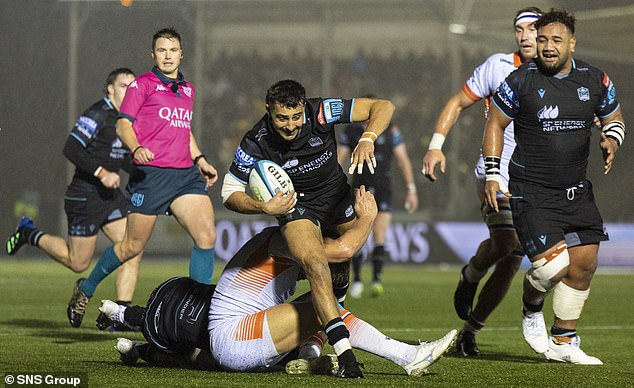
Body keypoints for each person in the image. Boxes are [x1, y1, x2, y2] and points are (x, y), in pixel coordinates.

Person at [101, 187, 457, 377]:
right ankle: (408, 356)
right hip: (234, 336)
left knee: (324, 300)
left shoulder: (284, 236)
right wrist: (367, 219)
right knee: (325, 308)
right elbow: (344, 250)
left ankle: (309, 355)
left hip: (230, 335)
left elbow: (334, 278)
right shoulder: (286, 240)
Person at [221, 79, 395, 376]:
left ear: (304, 108)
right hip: (298, 209)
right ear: (268, 111)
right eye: (281, 118)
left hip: (337, 199)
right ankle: (345, 354)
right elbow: (228, 191)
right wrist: (263, 207)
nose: (290, 126)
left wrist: (367, 137)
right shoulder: (256, 140)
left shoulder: (322, 111)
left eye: (296, 117)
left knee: (341, 266)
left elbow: (384, 106)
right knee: (316, 263)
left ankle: (312, 345)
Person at [483, 9, 624, 365]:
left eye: (556, 40)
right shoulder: (520, 80)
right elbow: (495, 125)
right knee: (551, 269)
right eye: (542, 39)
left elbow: (614, 116)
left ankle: (564, 341)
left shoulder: (595, 79)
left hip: (576, 191)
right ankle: (531, 308)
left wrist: (612, 138)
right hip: (532, 191)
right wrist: (492, 174)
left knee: (584, 264)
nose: (547, 47)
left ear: (571, 43)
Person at [67, 27, 219, 328]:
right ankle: (86, 288)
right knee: (131, 247)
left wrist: (199, 158)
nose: (167, 55)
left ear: (181, 53)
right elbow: (124, 125)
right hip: (151, 176)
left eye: (172, 50)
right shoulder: (141, 85)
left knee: (207, 237)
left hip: (184, 177)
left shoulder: (187, 89)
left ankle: (195, 313)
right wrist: (137, 147)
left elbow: (183, 128)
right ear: (153, 55)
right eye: (161, 50)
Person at [421, 7, 543, 356]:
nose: (525, 35)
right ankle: (473, 274)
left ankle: (470, 330)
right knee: (507, 243)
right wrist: (435, 147)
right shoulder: (498, 66)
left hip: (535, 177)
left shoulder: (558, 73)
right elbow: (458, 102)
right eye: (518, 29)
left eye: (532, 28)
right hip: (496, 170)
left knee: (510, 259)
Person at [6, 68, 143, 324]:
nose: (130, 91)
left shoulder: (126, 120)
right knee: (78, 263)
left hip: (111, 196)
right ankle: (29, 233)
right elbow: (71, 147)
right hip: (85, 196)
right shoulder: (97, 114)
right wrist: (102, 172)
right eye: (124, 85)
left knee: (131, 249)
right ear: (110, 89)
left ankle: (119, 315)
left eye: (133, 87)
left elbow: (123, 159)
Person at [337, 116, 418, 298]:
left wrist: (411, 189)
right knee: (356, 234)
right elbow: (339, 158)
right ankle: (356, 280)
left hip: (383, 189)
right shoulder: (351, 131)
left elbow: (403, 160)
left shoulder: (391, 130)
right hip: (360, 189)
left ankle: (376, 280)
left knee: (379, 235)